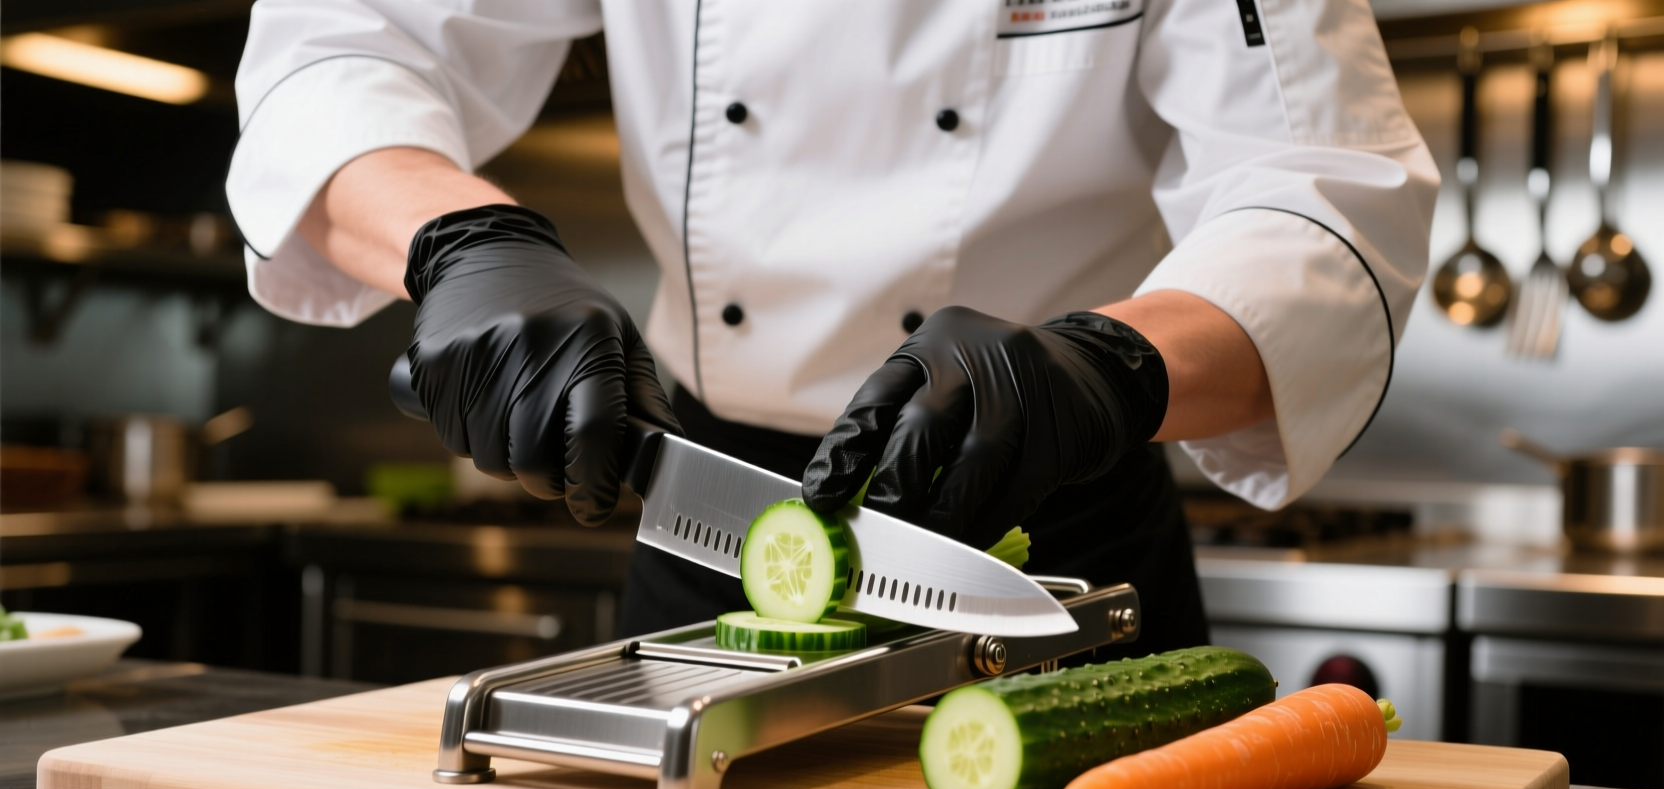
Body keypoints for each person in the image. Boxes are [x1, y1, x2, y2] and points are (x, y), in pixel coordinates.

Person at [228, 0, 1436, 656]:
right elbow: (345, 42)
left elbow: (1320, 180)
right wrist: (461, 244)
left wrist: (1112, 367)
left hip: (1047, 503)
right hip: (711, 529)